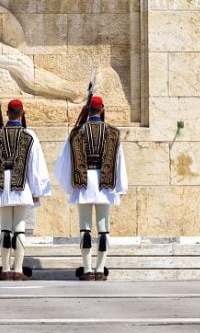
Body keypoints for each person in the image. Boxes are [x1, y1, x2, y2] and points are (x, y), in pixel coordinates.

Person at [0, 99, 51, 281]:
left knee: (5, 229)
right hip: (21, 185)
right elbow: (35, 166)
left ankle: (6, 269)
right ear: (22, 113)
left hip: (1, 187)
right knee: (19, 229)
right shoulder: (29, 136)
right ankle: (17, 269)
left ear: (7, 113)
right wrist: (37, 189)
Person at [53, 96, 128, 281]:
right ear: (102, 109)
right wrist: (119, 187)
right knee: (104, 230)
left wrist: (70, 185)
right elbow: (120, 163)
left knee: (84, 229)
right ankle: (100, 270)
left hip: (84, 185)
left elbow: (64, 162)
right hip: (104, 186)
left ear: (89, 110)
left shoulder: (76, 132)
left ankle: (87, 270)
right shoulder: (113, 133)